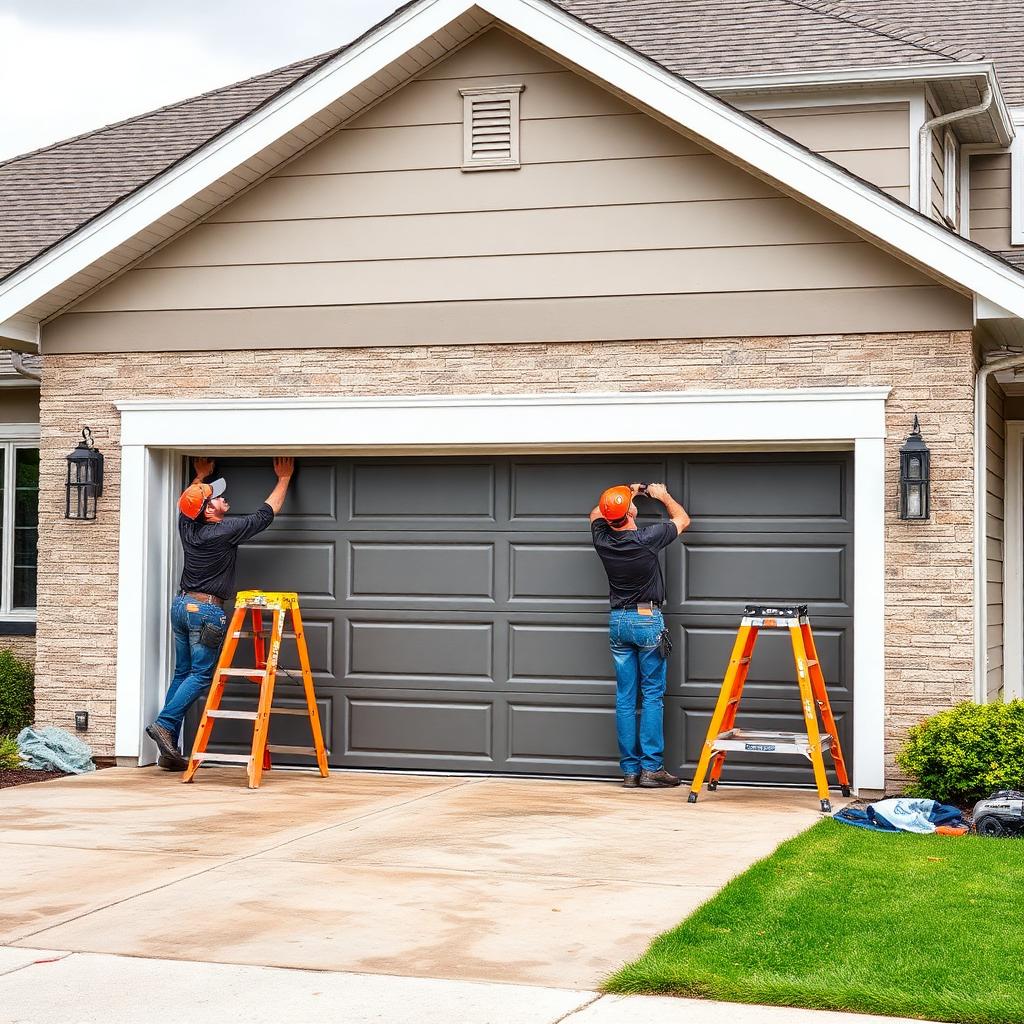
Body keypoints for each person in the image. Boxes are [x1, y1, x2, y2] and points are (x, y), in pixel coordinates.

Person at [145, 456, 294, 771]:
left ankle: (167, 742)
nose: (223, 497)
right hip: (205, 612)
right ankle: (164, 724)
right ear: (209, 511)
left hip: (181, 606)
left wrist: (200, 476)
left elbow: (186, 505)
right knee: (200, 675)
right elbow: (265, 515)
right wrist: (283, 478)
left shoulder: (188, 524)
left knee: (183, 673)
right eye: (216, 496)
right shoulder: (224, 531)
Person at [590, 482, 690, 789]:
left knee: (624, 698)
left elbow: (596, 513)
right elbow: (683, 519)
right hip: (646, 620)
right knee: (651, 696)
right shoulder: (646, 538)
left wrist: (627, 492)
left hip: (618, 621)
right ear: (631, 512)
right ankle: (652, 769)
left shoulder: (603, 539)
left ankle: (630, 772)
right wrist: (661, 496)